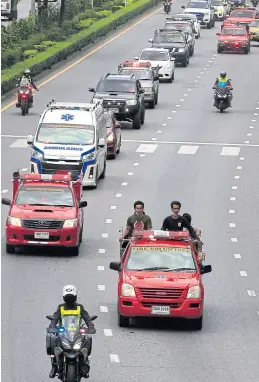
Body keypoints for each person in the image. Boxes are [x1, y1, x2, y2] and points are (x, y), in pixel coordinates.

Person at [48, 285, 96, 379]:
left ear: (75, 296)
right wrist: (52, 326)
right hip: (64, 333)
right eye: (68, 297)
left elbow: (86, 317)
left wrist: (90, 326)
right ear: (64, 297)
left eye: (71, 297)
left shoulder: (79, 307)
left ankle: (85, 363)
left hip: (77, 334)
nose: (69, 299)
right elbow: (55, 317)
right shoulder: (61, 307)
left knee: (88, 338)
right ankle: (54, 366)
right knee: (51, 338)